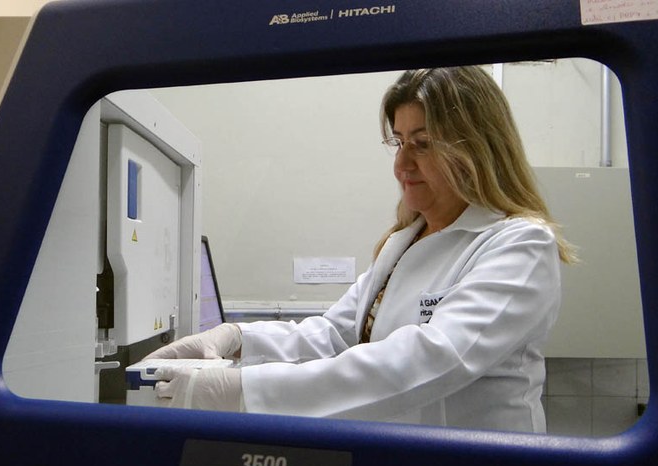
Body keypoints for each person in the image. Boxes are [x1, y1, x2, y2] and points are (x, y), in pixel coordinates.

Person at [147, 66, 576, 433]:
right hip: (402, 464)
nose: (402, 165)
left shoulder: (519, 244)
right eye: (399, 142)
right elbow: (336, 335)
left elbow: (431, 359)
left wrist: (245, 391)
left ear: (476, 148)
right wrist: (238, 340)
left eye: (423, 143)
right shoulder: (402, 242)